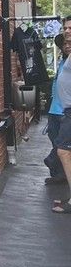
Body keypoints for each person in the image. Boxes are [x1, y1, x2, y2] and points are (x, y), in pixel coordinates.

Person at [44, 32, 70, 184]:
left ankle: (51, 161)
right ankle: (59, 174)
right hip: (54, 110)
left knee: (62, 145)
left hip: (65, 112)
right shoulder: (62, 62)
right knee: (56, 142)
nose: (66, 46)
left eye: (68, 44)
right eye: (63, 45)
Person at [52, 16, 71, 212]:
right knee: (65, 152)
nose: (67, 30)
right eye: (66, 27)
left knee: (64, 151)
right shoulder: (68, 52)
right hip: (66, 110)